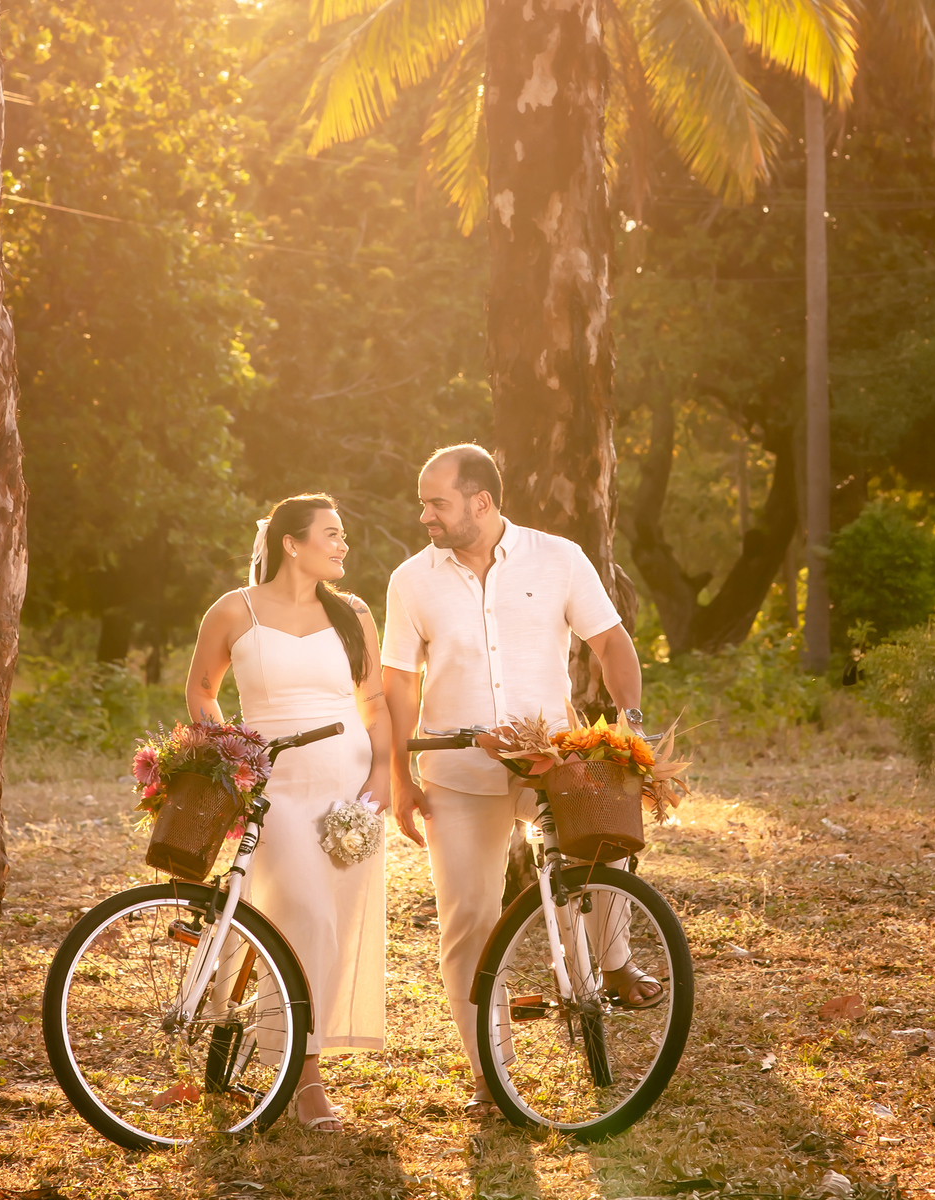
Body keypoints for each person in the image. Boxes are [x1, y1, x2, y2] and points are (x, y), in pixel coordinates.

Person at [381, 443, 651, 1120]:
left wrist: (630, 725)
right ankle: (490, 1072)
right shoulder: (411, 580)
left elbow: (610, 642)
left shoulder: (558, 557)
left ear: (482, 500)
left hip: (551, 757)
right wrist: (398, 773)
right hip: (456, 771)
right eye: (423, 503)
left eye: (436, 502)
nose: (425, 516)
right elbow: (397, 684)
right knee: (467, 919)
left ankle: (612, 957)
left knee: (597, 859)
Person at [186, 494, 390, 1133]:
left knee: (330, 926)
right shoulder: (233, 610)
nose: (343, 544)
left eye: (343, 533)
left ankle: (291, 1064)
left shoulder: (353, 614)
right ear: (290, 543)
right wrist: (230, 758)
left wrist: (384, 773)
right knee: (300, 914)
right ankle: (304, 1080)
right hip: (276, 789)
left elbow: (375, 700)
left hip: (346, 791)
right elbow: (201, 690)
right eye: (331, 533)